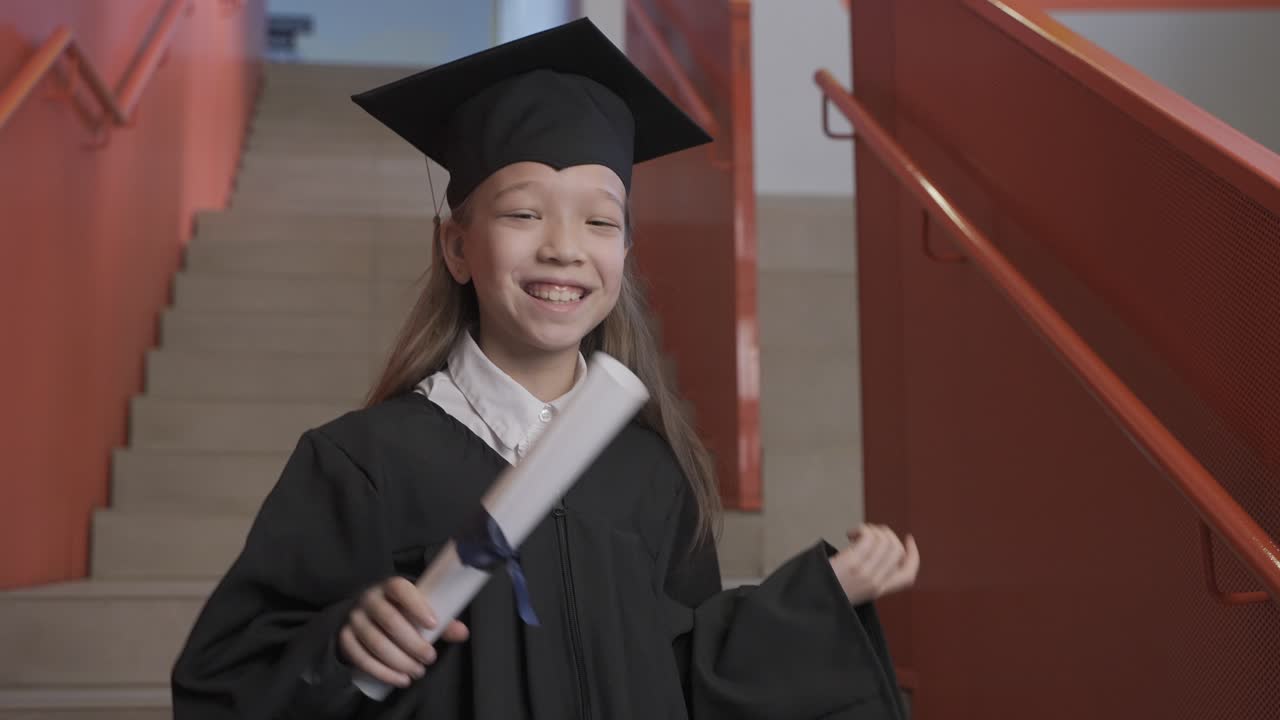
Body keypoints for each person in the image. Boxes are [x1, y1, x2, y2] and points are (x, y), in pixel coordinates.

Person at [171, 18, 920, 720]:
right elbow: (228, 680)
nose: (565, 247)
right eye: (524, 214)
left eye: (600, 220)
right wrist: (340, 644)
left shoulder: (654, 474)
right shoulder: (362, 464)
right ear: (457, 248)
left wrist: (817, 597)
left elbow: (683, 671)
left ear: (624, 252)